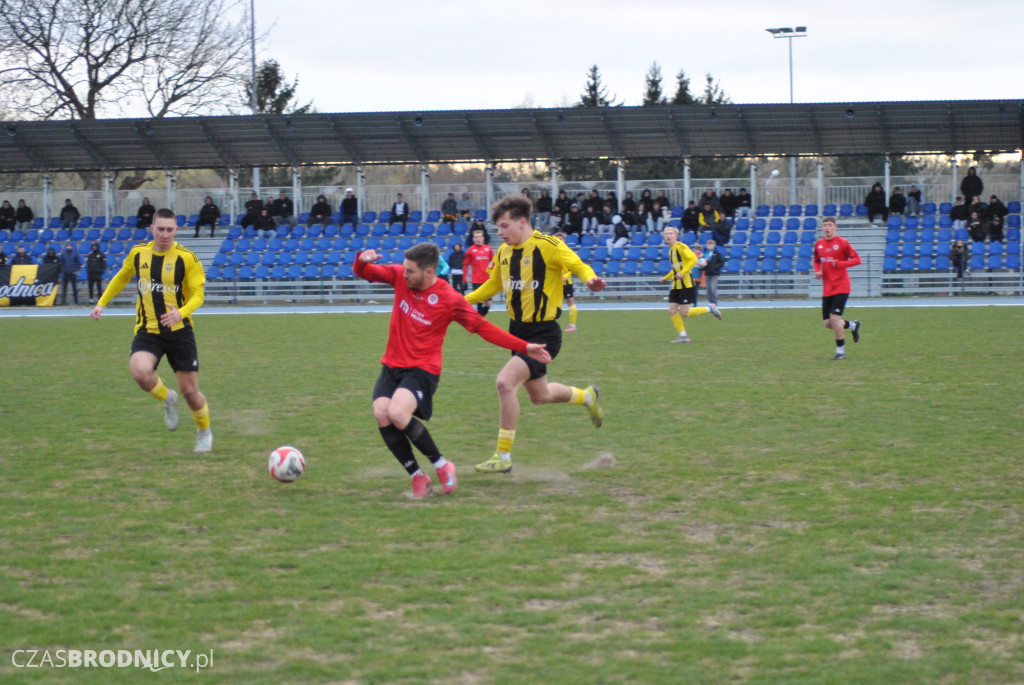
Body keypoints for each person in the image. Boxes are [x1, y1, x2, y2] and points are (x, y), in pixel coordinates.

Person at [354, 242, 552, 498]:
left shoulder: (449, 299)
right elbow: (364, 272)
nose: (405, 274)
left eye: (410, 271)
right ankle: (418, 476)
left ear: (428, 272)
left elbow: (483, 328)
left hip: (422, 370)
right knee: (382, 414)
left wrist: (524, 346)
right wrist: (362, 259)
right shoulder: (400, 276)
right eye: (404, 269)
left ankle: (441, 465)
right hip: (392, 366)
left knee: (398, 413)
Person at [465, 195, 607, 475]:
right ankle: (587, 397)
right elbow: (493, 285)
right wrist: (460, 301)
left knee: (505, 383)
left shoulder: (549, 245)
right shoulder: (503, 252)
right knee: (540, 396)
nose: (500, 232)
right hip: (517, 333)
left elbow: (578, 265)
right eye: (498, 227)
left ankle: (503, 456)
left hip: (543, 333)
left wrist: (590, 279)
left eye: (504, 226)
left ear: (522, 221)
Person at [90, 208, 213, 453]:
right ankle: (168, 398)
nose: (165, 234)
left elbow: (199, 295)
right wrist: (102, 303)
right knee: (140, 372)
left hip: (179, 332)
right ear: (152, 229)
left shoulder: (187, 258)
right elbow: (121, 277)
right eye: (160, 229)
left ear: (176, 230)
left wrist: (181, 312)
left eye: (169, 229)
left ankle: (204, 431)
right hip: (148, 330)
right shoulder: (138, 253)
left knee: (190, 392)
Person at [660, 226, 722, 343]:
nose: (668, 236)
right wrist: (666, 278)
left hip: (686, 285)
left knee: (685, 313)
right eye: (666, 234)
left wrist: (683, 273)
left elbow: (693, 259)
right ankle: (683, 336)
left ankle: (710, 309)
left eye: (671, 234)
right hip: (676, 285)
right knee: (672, 310)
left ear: (676, 236)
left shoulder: (681, 246)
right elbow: (675, 269)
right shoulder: (671, 251)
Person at [813, 217, 862, 361]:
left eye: (830, 225)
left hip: (841, 286)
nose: (827, 227)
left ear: (835, 227)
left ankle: (840, 352)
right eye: (825, 225)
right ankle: (853, 325)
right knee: (828, 323)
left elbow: (857, 259)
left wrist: (841, 264)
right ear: (822, 228)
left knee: (835, 318)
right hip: (827, 288)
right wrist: (817, 271)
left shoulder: (843, 243)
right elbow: (816, 261)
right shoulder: (819, 244)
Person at [464, 228, 494, 316]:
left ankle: (479, 318)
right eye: (476, 237)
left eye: (479, 237)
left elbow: (493, 263)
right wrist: (464, 279)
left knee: (488, 303)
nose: (478, 239)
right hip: (476, 280)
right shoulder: (470, 250)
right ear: (473, 239)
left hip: (487, 280)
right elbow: (465, 264)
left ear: (483, 238)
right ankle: (480, 320)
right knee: (479, 302)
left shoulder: (488, 249)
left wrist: (494, 275)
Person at [554, 232, 579, 331]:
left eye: (561, 239)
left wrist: (565, 276)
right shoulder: (552, 253)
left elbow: (570, 268)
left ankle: (573, 325)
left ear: (564, 241)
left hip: (566, 282)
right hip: (555, 282)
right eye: (557, 239)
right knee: (553, 303)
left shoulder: (568, 253)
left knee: (570, 302)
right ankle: (551, 325)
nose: (559, 241)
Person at [699, 239, 726, 306]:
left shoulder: (716, 253)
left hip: (715, 273)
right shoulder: (705, 254)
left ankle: (714, 301)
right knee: (708, 289)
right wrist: (702, 267)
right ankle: (710, 301)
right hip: (707, 273)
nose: (709, 246)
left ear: (714, 245)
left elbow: (722, 262)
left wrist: (716, 267)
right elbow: (704, 263)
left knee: (712, 287)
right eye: (708, 245)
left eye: (711, 245)